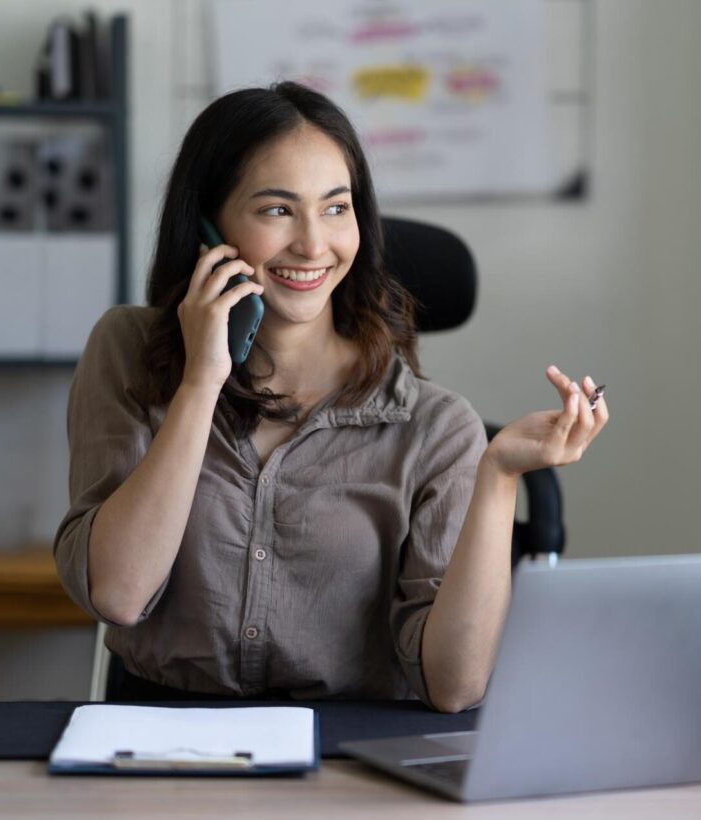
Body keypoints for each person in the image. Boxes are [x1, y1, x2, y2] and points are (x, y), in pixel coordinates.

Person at [54, 81, 608, 713]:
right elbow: (120, 594)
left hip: (352, 753)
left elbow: (456, 687)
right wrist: (201, 380)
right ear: (209, 227)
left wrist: (500, 471)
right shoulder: (127, 350)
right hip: (164, 740)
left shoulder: (437, 427)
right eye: (276, 210)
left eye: (336, 208)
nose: (314, 246)